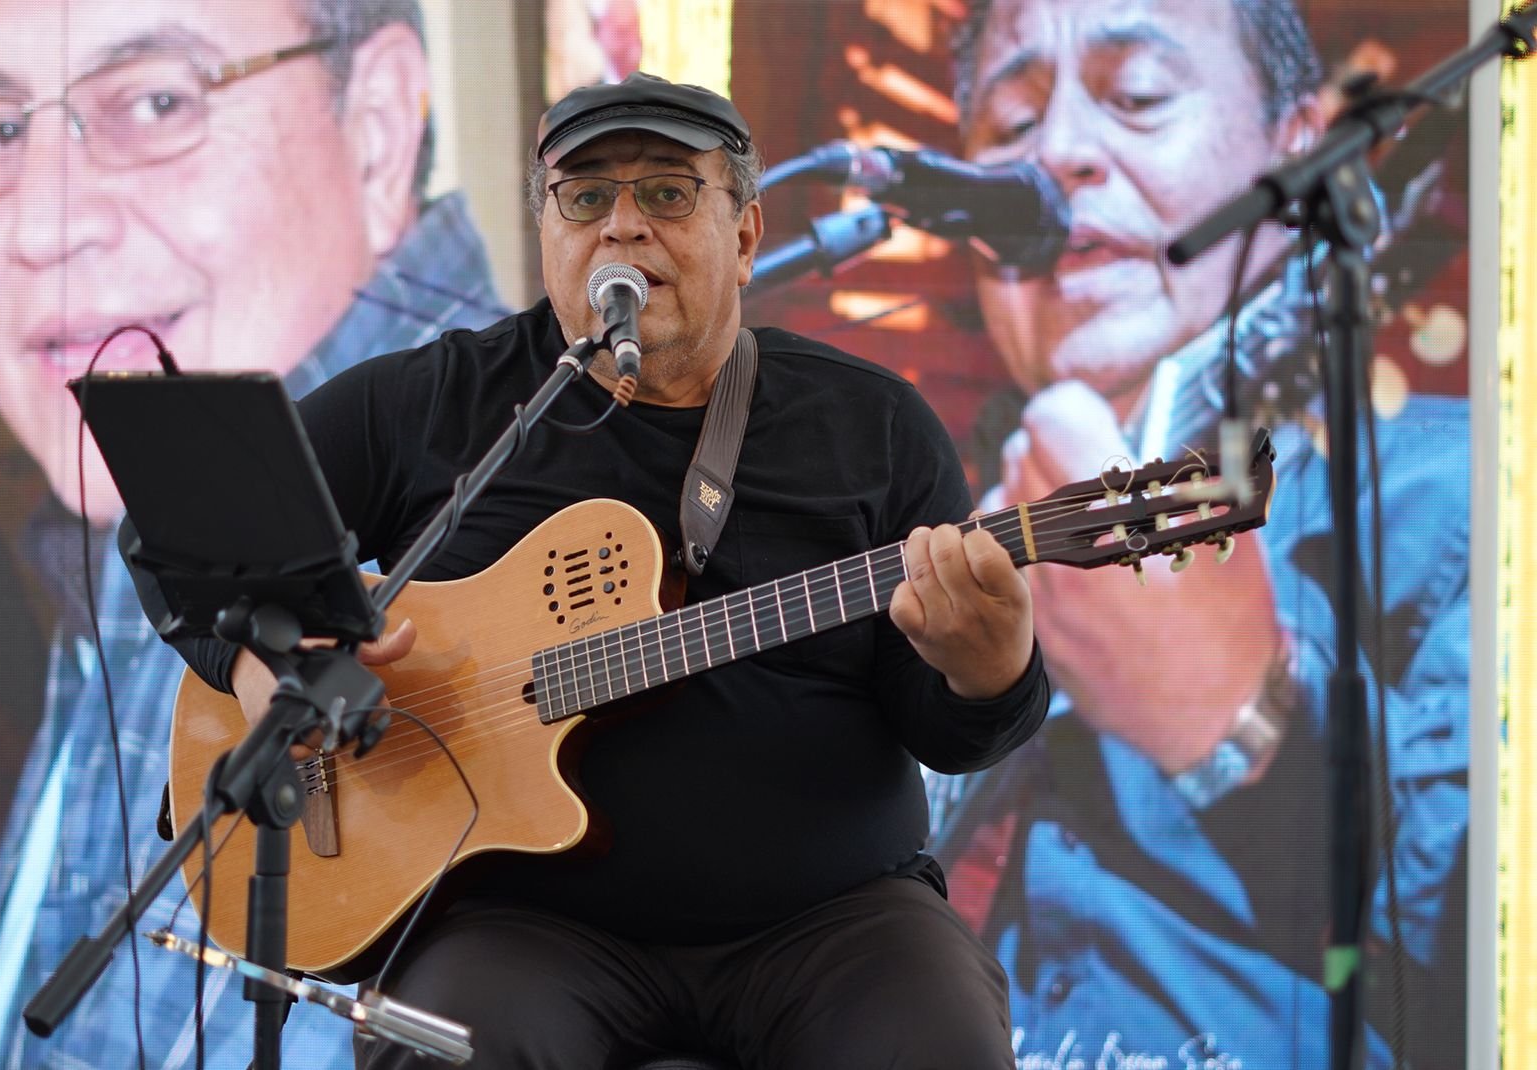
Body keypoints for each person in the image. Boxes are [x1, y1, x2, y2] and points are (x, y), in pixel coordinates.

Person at [152, 71, 1051, 1069]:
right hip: (519, 923)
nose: (623, 225)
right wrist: (261, 664)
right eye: (585, 197)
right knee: (447, 1052)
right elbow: (183, 534)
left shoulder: (874, 426)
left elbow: (950, 729)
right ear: (546, 231)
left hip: (831, 923)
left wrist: (989, 671)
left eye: (668, 191)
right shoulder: (434, 402)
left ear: (745, 234)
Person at [0, 0, 508, 1066]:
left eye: (156, 102)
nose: (41, 229)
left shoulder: (533, 514)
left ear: (377, 127)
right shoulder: (150, 490)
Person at [928, 0, 1471, 1066]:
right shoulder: (931, 534)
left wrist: (1244, 721)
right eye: (1010, 127)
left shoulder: (1474, 501)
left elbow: (1488, 966)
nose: (1059, 154)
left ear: (1299, 155)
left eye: (1137, 96)